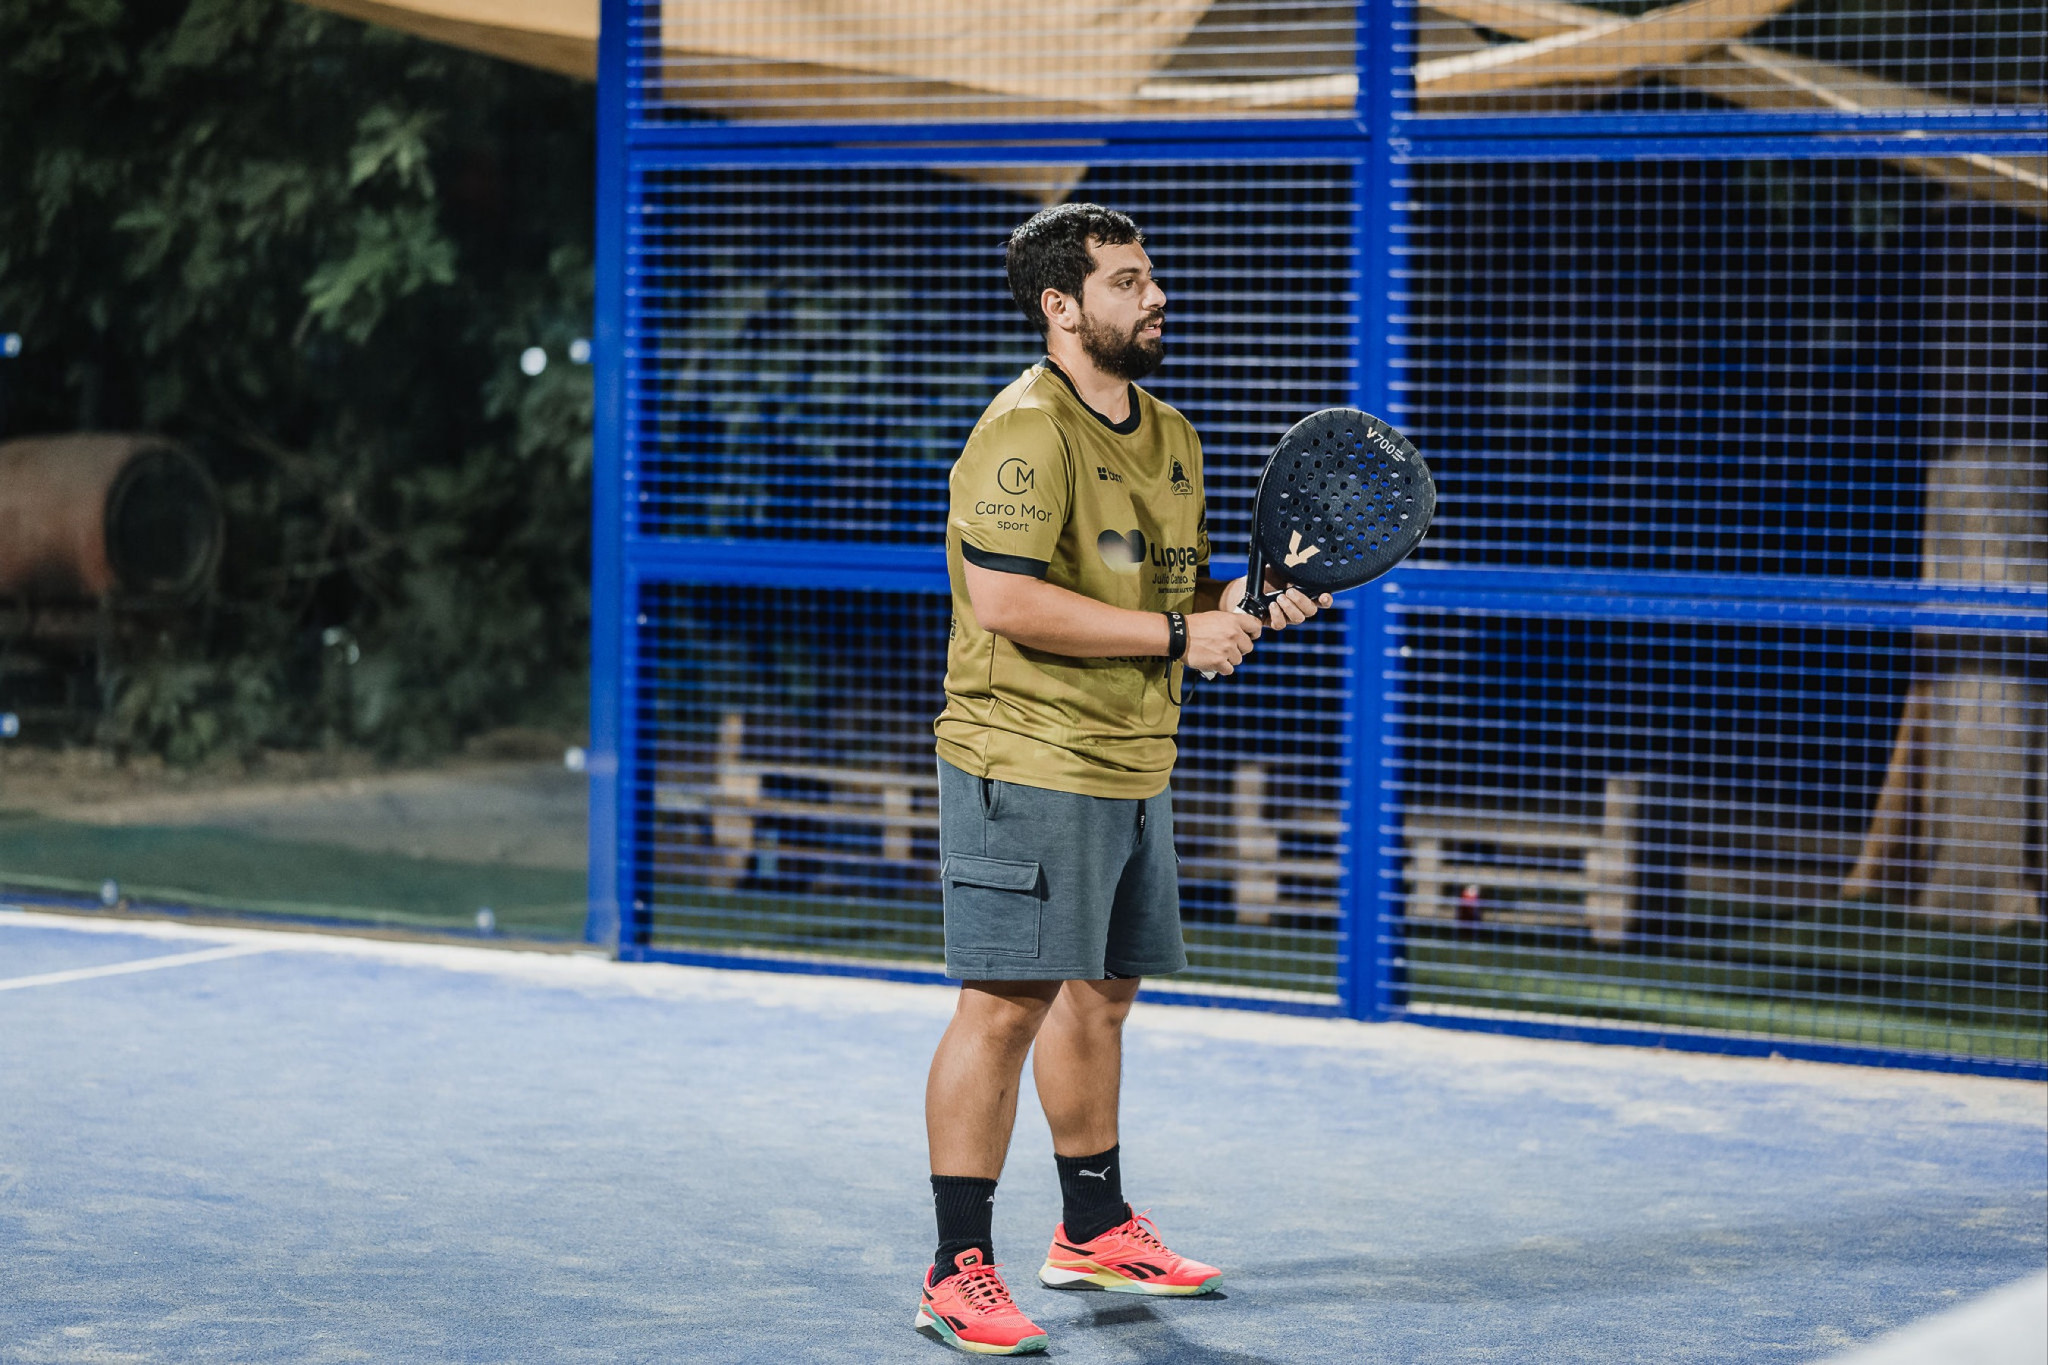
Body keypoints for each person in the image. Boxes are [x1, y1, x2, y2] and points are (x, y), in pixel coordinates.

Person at [914, 203, 1330, 1356]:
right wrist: (1179, 637)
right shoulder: (1024, 432)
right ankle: (954, 1270)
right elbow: (1005, 600)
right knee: (1004, 1004)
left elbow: (1164, 597)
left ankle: (1091, 1228)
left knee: (1100, 996)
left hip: (1134, 761)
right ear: (1061, 306)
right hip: (1024, 755)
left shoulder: (1174, 436)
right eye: (1128, 280)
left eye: (1151, 277)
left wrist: (1241, 607)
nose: (1155, 296)